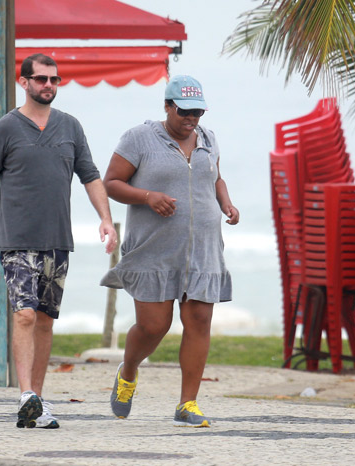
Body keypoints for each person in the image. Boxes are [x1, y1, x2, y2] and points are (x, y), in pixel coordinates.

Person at [0, 53, 117, 429]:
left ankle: (36, 403)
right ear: (24, 83)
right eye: (40, 79)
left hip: (57, 242)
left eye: (53, 79)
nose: (48, 85)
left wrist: (105, 219)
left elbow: (90, 176)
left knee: (44, 321)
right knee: (23, 314)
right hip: (17, 241)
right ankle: (27, 394)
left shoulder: (70, 127)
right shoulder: (5, 128)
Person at [100, 75, 239, 427]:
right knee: (153, 326)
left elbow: (215, 177)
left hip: (203, 249)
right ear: (167, 106)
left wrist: (226, 203)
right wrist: (148, 196)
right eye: (185, 111)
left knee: (199, 321)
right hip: (155, 250)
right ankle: (129, 371)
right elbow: (111, 183)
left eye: (198, 112)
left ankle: (187, 403)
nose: (192, 118)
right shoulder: (139, 138)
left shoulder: (209, 138)